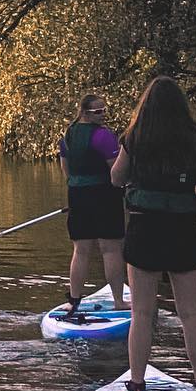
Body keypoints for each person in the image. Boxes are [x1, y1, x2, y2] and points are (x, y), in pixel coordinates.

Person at [110, 75, 196, 391]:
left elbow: (116, 177)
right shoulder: (195, 138)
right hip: (183, 233)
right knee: (191, 316)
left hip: (145, 232)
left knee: (142, 314)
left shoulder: (135, 136)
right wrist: (195, 191)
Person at [58, 91, 126, 316]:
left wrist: (78, 189)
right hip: (105, 196)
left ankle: (74, 300)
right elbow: (116, 171)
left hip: (77, 196)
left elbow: (66, 170)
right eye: (98, 111)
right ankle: (118, 301)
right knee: (110, 249)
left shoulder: (67, 135)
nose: (103, 115)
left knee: (81, 250)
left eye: (104, 110)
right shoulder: (104, 136)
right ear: (85, 113)